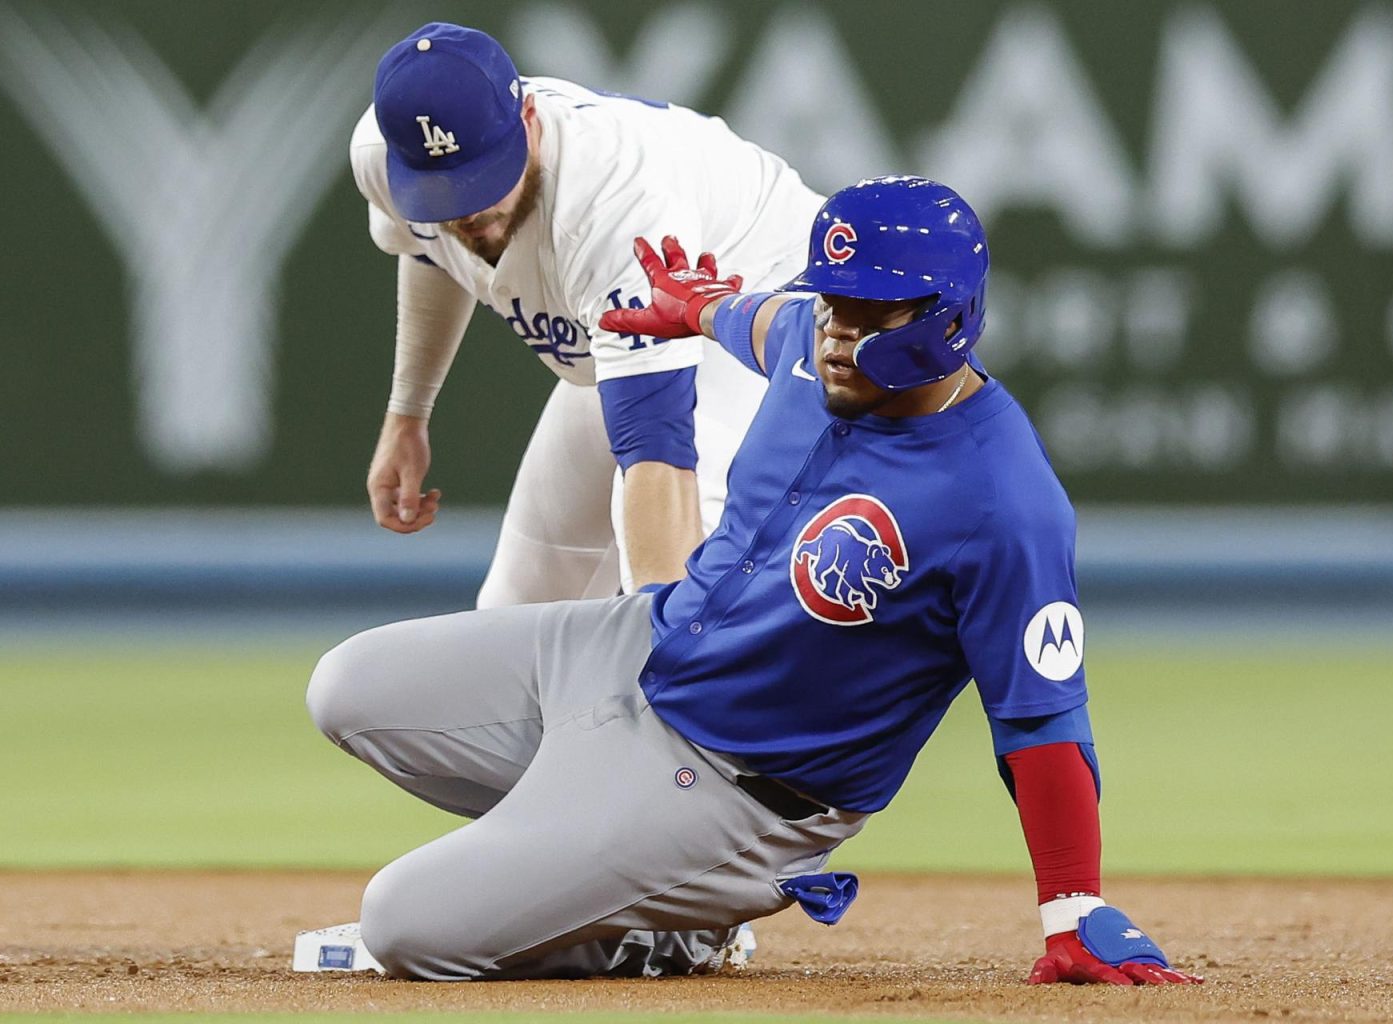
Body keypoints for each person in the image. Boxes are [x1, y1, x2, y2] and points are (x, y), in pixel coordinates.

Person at [306, 176, 1204, 986]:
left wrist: (1073, 912)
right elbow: (762, 320)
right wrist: (696, 308)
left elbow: (1043, 720)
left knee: (403, 927)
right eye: (833, 304)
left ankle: (671, 928)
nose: (841, 333)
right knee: (344, 688)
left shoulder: (1005, 503)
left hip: (737, 786)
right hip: (634, 649)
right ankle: (611, 875)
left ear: (950, 316)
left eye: (872, 313)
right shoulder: (813, 343)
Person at [351, 22, 823, 602]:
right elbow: (429, 251)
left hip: (755, 296)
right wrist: (408, 414)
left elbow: (658, 446)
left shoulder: (614, 205)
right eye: (444, 191)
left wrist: (665, 647)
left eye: (479, 176)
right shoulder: (383, 157)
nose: (466, 209)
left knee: (675, 563)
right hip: (622, 321)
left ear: (528, 120)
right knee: (513, 609)